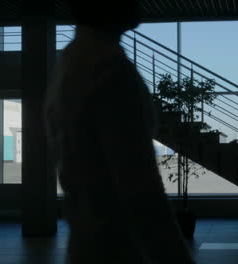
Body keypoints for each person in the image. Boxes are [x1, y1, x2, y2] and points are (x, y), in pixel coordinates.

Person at [45, 1, 195, 263]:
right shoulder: (110, 71)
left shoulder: (69, 63)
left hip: (87, 242)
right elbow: (139, 187)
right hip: (121, 246)